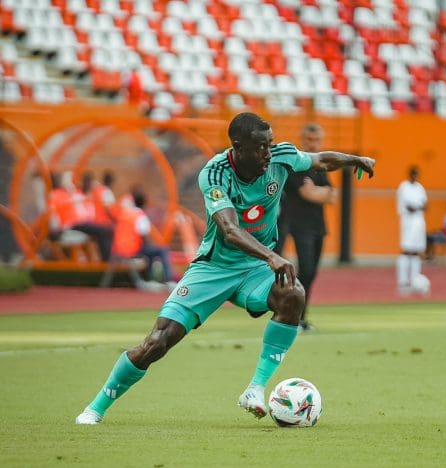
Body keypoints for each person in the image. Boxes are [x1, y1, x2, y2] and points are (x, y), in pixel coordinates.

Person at [75, 112, 375, 425]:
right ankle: (95, 408)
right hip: (214, 268)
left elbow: (320, 160)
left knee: (293, 294)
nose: (267, 153)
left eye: (269, 145)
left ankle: (255, 389)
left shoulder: (281, 157)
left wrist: (355, 159)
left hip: (255, 269)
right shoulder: (216, 173)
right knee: (157, 343)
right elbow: (230, 229)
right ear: (237, 147)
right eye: (260, 147)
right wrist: (272, 256)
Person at [278, 123, 339, 332]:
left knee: (311, 273)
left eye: (317, 140)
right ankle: (291, 315)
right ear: (303, 140)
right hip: (298, 224)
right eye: (310, 140)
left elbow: (333, 195)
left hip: (318, 225)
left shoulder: (319, 166)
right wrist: (320, 192)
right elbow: (307, 193)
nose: (313, 144)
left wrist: (319, 192)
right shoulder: (297, 164)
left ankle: (300, 316)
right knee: (305, 270)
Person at [112, 189, 175, 286]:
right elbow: (144, 235)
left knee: (149, 251)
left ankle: (148, 278)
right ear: (144, 203)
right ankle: (169, 279)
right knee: (162, 250)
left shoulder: (125, 213)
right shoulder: (140, 215)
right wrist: (152, 246)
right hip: (132, 250)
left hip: (118, 249)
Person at [396, 165, 427, 294]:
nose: (415, 176)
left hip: (419, 222)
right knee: (406, 250)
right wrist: (417, 207)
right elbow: (407, 206)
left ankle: (414, 280)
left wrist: (418, 207)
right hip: (408, 222)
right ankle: (402, 281)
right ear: (410, 174)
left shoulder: (420, 188)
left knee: (416, 251)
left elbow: (425, 205)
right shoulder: (404, 187)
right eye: (413, 174)